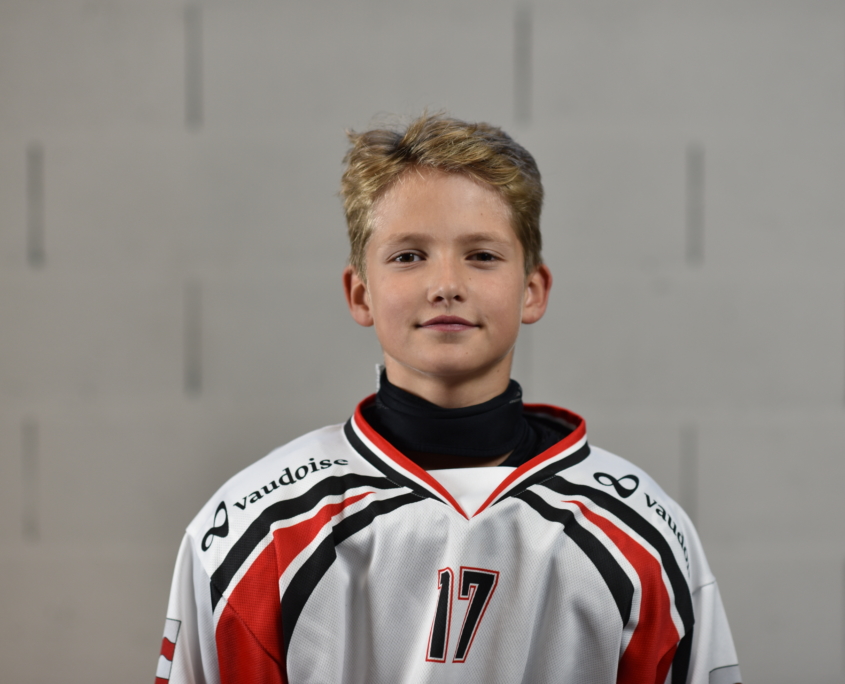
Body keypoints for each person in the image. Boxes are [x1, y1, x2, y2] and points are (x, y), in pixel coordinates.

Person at [155, 113, 741, 684]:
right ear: (360, 294)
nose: (446, 286)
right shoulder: (258, 530)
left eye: (481, 255)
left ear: (532, 290)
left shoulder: (643, 535)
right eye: (408, 256)